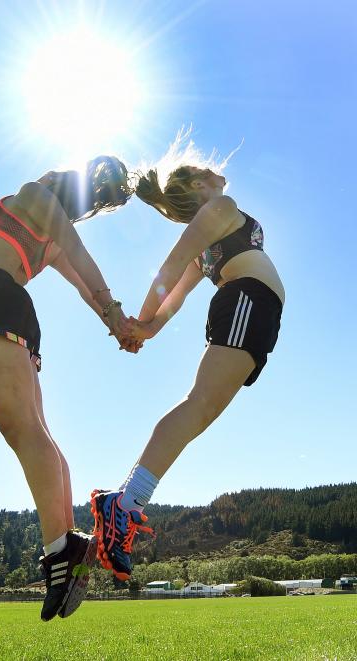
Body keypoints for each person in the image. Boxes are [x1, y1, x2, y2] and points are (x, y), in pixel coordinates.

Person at [91, 139, 285, 581]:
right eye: (208, 171)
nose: (219, 172)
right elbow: (169, 269)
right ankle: (124, 504)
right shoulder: (220, 208)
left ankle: (125, 503)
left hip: (255, 313)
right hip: (247, 303)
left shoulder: (211, 234)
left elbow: (172, 304)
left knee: (200, 411)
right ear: (200, 184)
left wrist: (143, 329)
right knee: (197, 407)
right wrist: (137, 321)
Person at [0, 155, 132, 620]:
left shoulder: (35, 195)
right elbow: (80, 282)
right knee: (36, 433)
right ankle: (66, 542)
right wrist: (117, 325)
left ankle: (60, 551)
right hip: (8, 303)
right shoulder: (50, 237)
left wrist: (115, 316)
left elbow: (80, 261)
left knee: (21, 430)